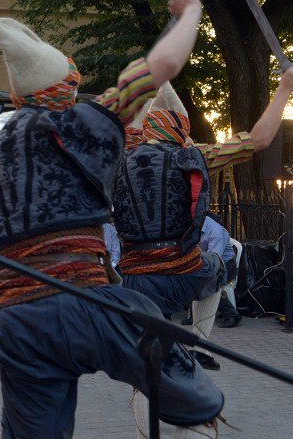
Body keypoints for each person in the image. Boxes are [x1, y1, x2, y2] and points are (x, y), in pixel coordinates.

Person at [0, 0, 223, 439]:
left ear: (17, 96)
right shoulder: (87, 122)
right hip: (88, 305)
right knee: (193, 400)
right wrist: (191, 13)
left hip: (17, 320)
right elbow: (160, 67)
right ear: (68, 88)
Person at [114, 76, 292, 371]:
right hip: (182, 271)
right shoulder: (193, 156)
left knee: (148, 372)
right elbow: (259, 140)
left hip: (135, 278)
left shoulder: (119, 161)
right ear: (181, 127)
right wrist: (285, 87)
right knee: (219, 266)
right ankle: (198, 342)